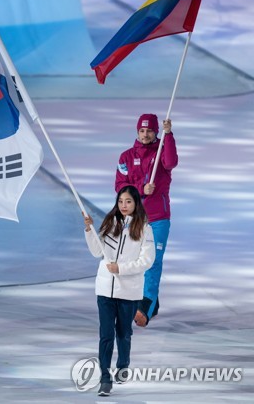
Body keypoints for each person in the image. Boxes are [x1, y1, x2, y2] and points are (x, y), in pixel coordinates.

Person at [83, 185, 155, 397]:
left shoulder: (144, 229)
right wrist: (89, 230)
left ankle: (123, 364)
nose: (124, 206)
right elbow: (97, 251)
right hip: (105, 290)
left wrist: (121, 269)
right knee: (106, 334)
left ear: (136, 204)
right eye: (121, 201)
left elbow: (147, 261)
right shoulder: (110, 222)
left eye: (128, 202)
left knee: (123, 333)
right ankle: (105, 378)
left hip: (128, 292)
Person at [115, 114, 178, 328]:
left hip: (158, 219)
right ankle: (152, 301)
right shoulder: (125, 157)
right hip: (135, 220)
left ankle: (146, 307)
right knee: (135, 262)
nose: (145, 134)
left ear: (155, 131)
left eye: (149, 130)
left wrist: (168, 135)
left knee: (153, 263)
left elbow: (171, 162)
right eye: (142, 131)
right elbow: (119, 187)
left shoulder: (161, 152)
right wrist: (141, 189)